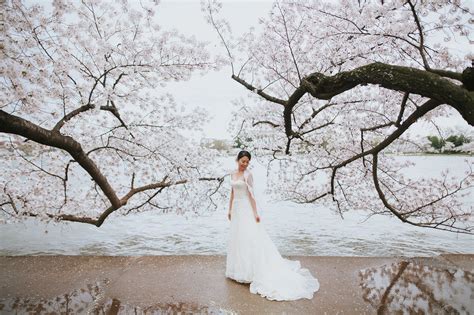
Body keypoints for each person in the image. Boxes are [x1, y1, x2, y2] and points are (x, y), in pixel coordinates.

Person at [226, 150, 319, 301]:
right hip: (236, 210)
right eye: (242, 161)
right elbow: (232, 192)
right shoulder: (232, 174)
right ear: (237, 160)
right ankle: (237, 269)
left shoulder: (248, 175)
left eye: (247, 162)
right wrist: (229, 209)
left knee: (249, 238)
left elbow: (252, 195)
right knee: (237, 238)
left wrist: (255, 213)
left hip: (246, 209)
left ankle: (250, 271)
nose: (244, 164)